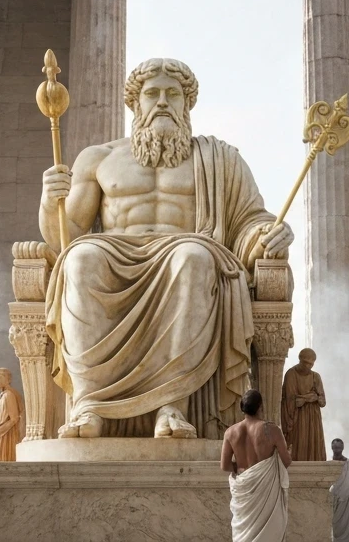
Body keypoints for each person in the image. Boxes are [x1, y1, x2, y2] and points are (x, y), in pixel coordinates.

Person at [42, 58, 295, 440]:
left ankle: (171, 406)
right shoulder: (98, 158)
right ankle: (89, 404)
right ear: (136, 104)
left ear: (186, 104)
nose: (162, 101)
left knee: (192, 258)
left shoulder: (220, 159)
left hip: (187, 254)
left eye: (172, 94)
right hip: (114, 254)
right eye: (152, 93)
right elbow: (65, 236)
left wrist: (267, 235)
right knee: (80, 259)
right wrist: (50, 200)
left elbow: (249, 222)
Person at [215, 389, 292, 542]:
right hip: (265, 491)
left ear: (242, 408)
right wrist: (266, 466)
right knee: (267, 539)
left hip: (244, 491)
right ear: (261, 407)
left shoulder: (231, 432)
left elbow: (224, 466)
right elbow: (286, 461)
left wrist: (243, 471)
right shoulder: (271, 430)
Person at [280, 349, 326, 461]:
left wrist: (305, 398)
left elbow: (322, 401)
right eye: (306, 362)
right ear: (300, 360)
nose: (308, 366)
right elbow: (290, 400)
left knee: (313, 446)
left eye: (311, 364)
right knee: (299, 444)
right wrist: (312, 396)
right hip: (297, 417)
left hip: (313, 419)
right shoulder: (291, 374)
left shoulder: (316, 376)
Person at [0, 368, 23, 462]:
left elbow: (14, 419)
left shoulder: (9, 395)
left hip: (6, 437)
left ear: (6, 379)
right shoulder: (3, 395)